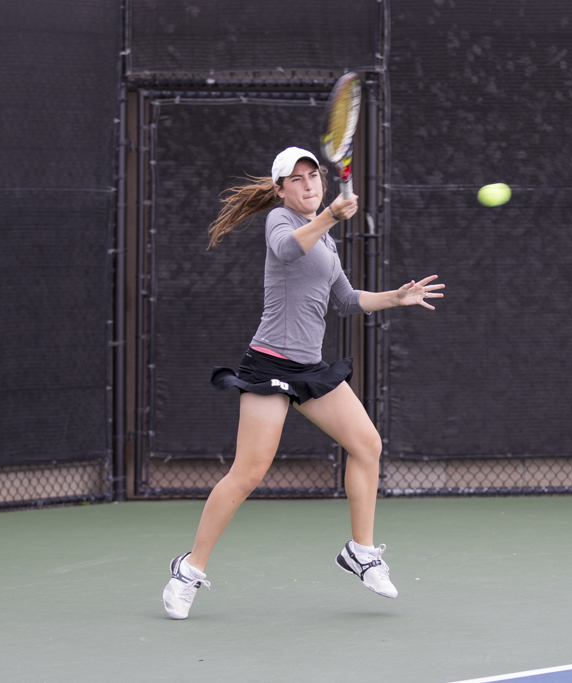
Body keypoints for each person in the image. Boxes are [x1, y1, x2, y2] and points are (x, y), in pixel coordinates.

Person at [162, 146, 444, 620]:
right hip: (268, 365)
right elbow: (287, 249)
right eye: (297, 179)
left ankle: (361, 551)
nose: (309, 185)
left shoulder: (327, 243)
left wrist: (397, 297)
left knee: (367, 445)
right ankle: (188, 569)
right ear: (280, 189)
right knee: (248, 473)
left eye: (314, 176)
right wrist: (332, 215)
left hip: (310, 368)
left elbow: (347, 300)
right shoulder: (281, 221)